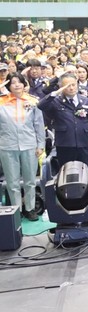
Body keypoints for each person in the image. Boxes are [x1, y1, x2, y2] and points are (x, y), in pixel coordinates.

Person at [0, 73, 45, 220]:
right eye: (13, 82)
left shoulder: (32, 101)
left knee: (30, 180)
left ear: (24, 84)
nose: (17, 85)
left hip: (29, 145)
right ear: (8, 85)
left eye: (19, 82)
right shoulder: (1, 102)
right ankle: (16, 210)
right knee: (12, 182)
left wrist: (40, 145)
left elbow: (39, 125)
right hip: (7, 146)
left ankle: (30, 208)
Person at [37, 72, 88, 166]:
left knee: (85, 170)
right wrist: (55, 93)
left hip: (84, 142)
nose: (71, 88)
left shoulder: (86, 101)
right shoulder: (56, 101)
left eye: (73, 84)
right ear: (61, 87)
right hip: (65, 143)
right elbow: (40, 105)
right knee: (65, 171)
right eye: (67, 86)